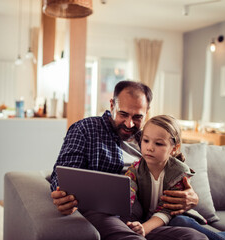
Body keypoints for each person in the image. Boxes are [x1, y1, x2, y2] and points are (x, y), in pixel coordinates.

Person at [50, 80, 207, 240]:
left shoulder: (150, 137)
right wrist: (63, 196)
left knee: (194, 237)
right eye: (123, 114)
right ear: (112, 105)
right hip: (106, 213)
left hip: (147, 219)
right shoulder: (85, 129)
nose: (129, 123)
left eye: (138, 117)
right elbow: (62, 177)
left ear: (147, 112)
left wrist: (193, 197)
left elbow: (174, 175)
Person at [125, 115, 225, 240]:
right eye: (146, 140)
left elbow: (167, 211)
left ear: (174, 148)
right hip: (147, 219)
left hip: (172, 218)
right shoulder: (135, 168)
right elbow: (128, 190)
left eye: (158, 143)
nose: (150, 147)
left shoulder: (179, 173)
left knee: (180, 221)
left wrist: (144, 228)